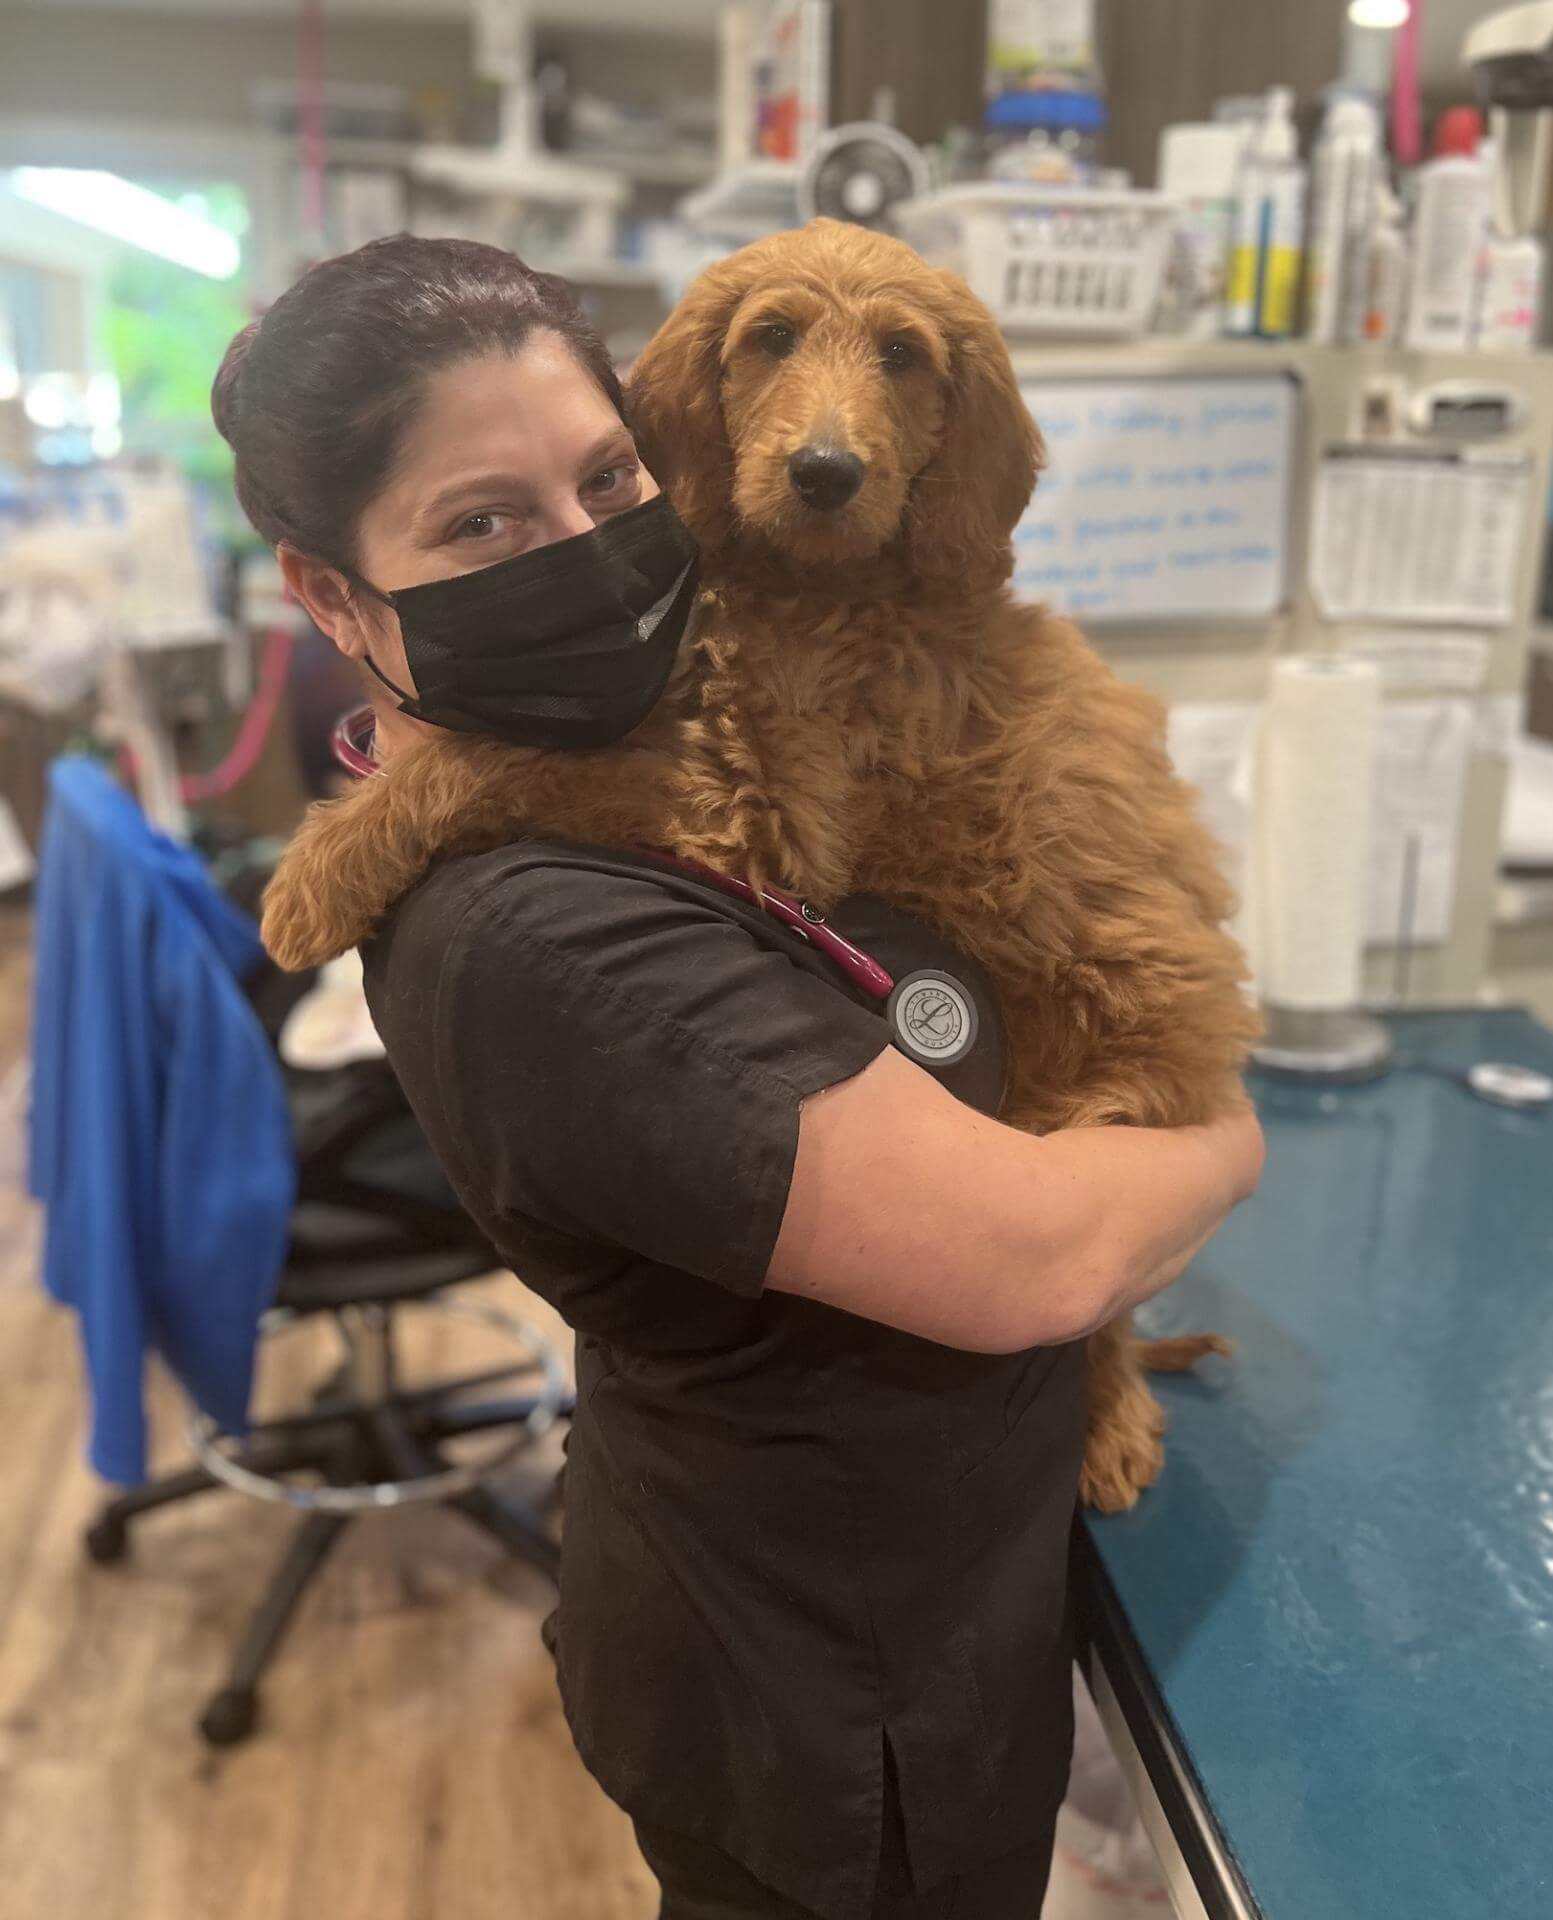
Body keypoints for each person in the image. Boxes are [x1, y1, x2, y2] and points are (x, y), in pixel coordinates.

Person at [212, 234, 1264, 1920]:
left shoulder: (854, 645)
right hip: (815, 1683)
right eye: (481, 522)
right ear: (330, 594)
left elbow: (772, 852)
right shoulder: (542, 948)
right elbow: (1025, 1239)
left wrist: (1144, 1189)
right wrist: (1226, 1148)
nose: (581, 546)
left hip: (898, 1579)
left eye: (605, 477)